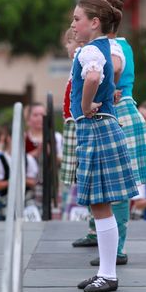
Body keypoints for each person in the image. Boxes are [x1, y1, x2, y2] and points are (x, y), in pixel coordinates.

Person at [70, 0, 139, 292]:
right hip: (101, 128)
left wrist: (86, 105)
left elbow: (95, 76)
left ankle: (108, 274)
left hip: (96, 128)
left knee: (100, 205)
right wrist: (110, 93)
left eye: (77, 19)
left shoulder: (89, 52)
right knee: (100, 205)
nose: (73, 25)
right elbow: (115, 72)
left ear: (94, 22)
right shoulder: (107, 47)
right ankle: (105, 271)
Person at [85, 0, 146, 267]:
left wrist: (104, 89)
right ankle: (111, 246)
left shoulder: (114, 46)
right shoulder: (117, 44)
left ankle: (117, 249)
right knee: (112, 187)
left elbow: (112, 67)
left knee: (118, 188)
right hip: (121, 110)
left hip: (118, 110)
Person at [60, 28, 88, 221]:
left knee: (74, 171)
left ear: (78, 43)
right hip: (73, 119)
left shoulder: (81, 56)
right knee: (74, 172)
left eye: (68, 43)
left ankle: (73, 207)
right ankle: (73, 207)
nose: (67, 48)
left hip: (77, 121)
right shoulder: (77, 62)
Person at [24, 102, 63, 217]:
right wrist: (36, 153)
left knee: (53, 218)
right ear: (28, 118)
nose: (40, 118)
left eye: (42, 115)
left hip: (52, 185)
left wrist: (51, 154)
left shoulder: (56, 137)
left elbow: (63, 161)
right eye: (35, 115)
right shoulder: (24, 137)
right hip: (29, 187)